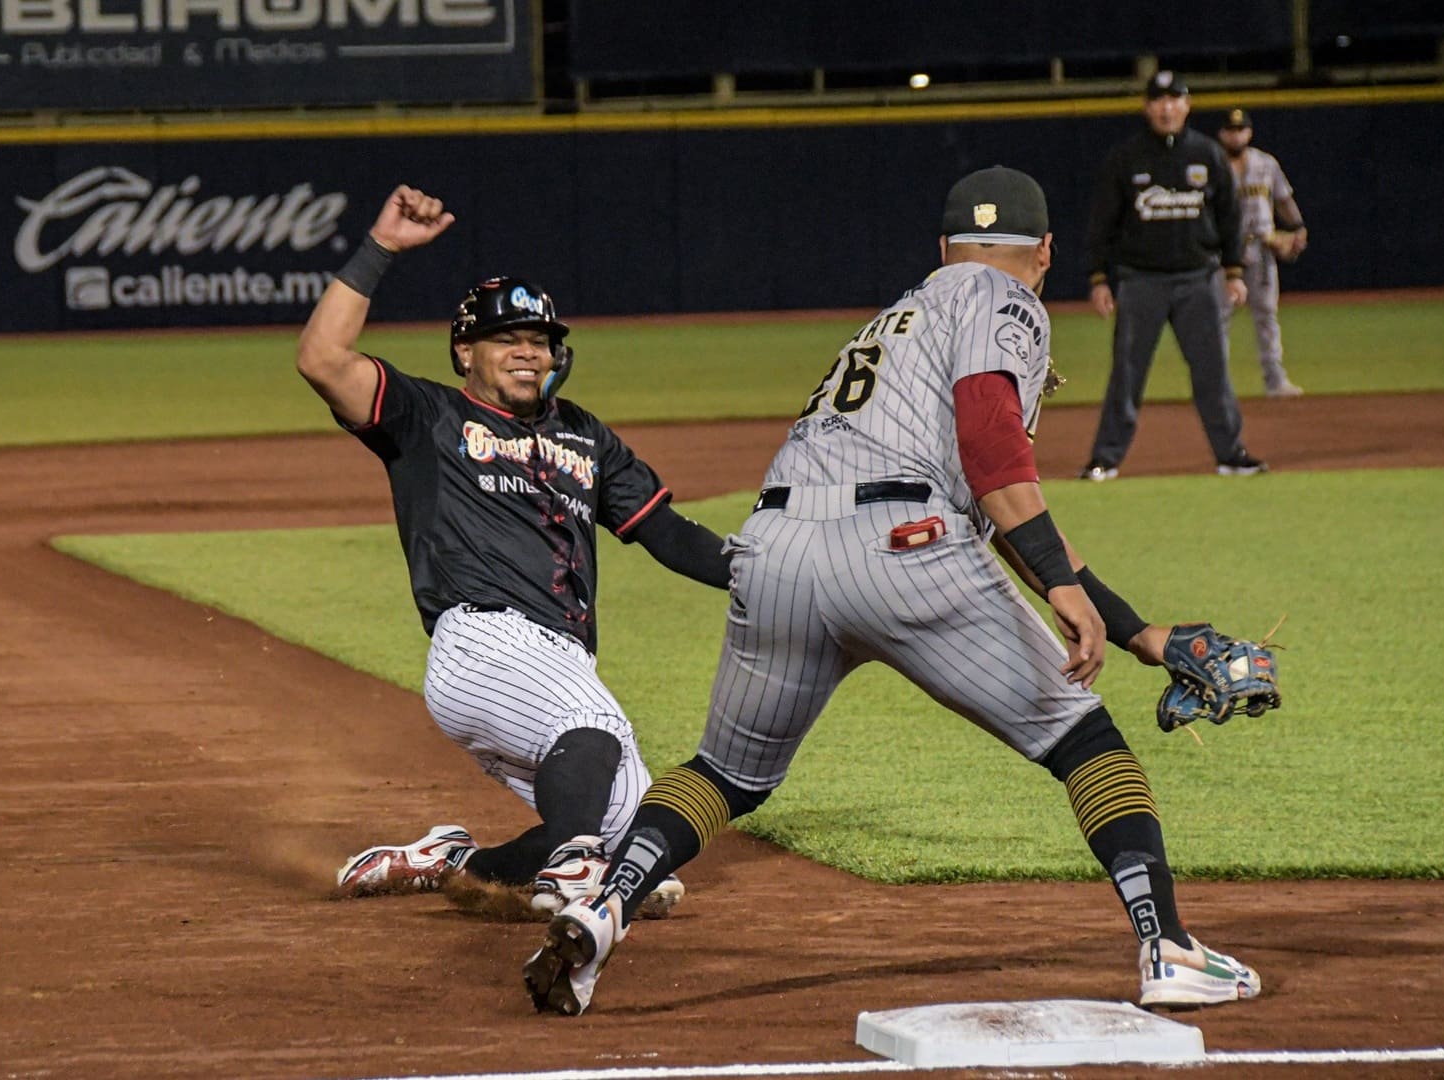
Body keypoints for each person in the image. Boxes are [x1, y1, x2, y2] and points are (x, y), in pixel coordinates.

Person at [521, 166, 1263, 1017]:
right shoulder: (1006, 299)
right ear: (1048, 251)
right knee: (1085, 744)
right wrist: (1061, 582)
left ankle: (607, 903)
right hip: (903, 546)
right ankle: (1166, 946)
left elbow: (993, 502)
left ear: (941, 247)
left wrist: (1140, 635)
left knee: (725, 775)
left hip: (774, 549)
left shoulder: (899, 316)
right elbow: (993, 457)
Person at [300, 185, 727, 918]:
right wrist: (383, 250)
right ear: (467, 351)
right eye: (508, 340)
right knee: (589, 732)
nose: (528, 353)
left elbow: (667, 534)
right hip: (483, 639)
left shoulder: (585, 435)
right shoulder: (427, 416)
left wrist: (762, 571)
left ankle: (457, 864)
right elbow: (323, 358)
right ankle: (569, 872)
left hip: (560, 658)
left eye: (540, 340)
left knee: (636, 841)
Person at [1079, 70, 1267, 480]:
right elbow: (1102, 222)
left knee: (1212, 371)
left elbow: (1231, 219)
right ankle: (1105, 459)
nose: (1166, 107)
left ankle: (1230, 454)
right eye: (1158, 100)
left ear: (1187, 105)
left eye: (1174, 99)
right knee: (1127, 375)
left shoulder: (1207, 154)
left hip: (1197, 281)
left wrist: (1234, 272)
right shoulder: (1126, 157)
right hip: (1140, 281)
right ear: (1147, 107)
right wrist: (1098, 278)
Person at [1217, 108, 1310, 398]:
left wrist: (1297, 227)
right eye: (1231, 130)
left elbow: (1283, 199)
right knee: (1218, 318)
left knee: (1267, 313)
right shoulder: (1211, 165)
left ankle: (1275, 380)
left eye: (1241, 129)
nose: (1236, 135)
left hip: (1261, 247)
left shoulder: (1265, 163)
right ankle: (1215, 386)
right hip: (1222, 253)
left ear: (1250, 132)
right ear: (1222, 134)